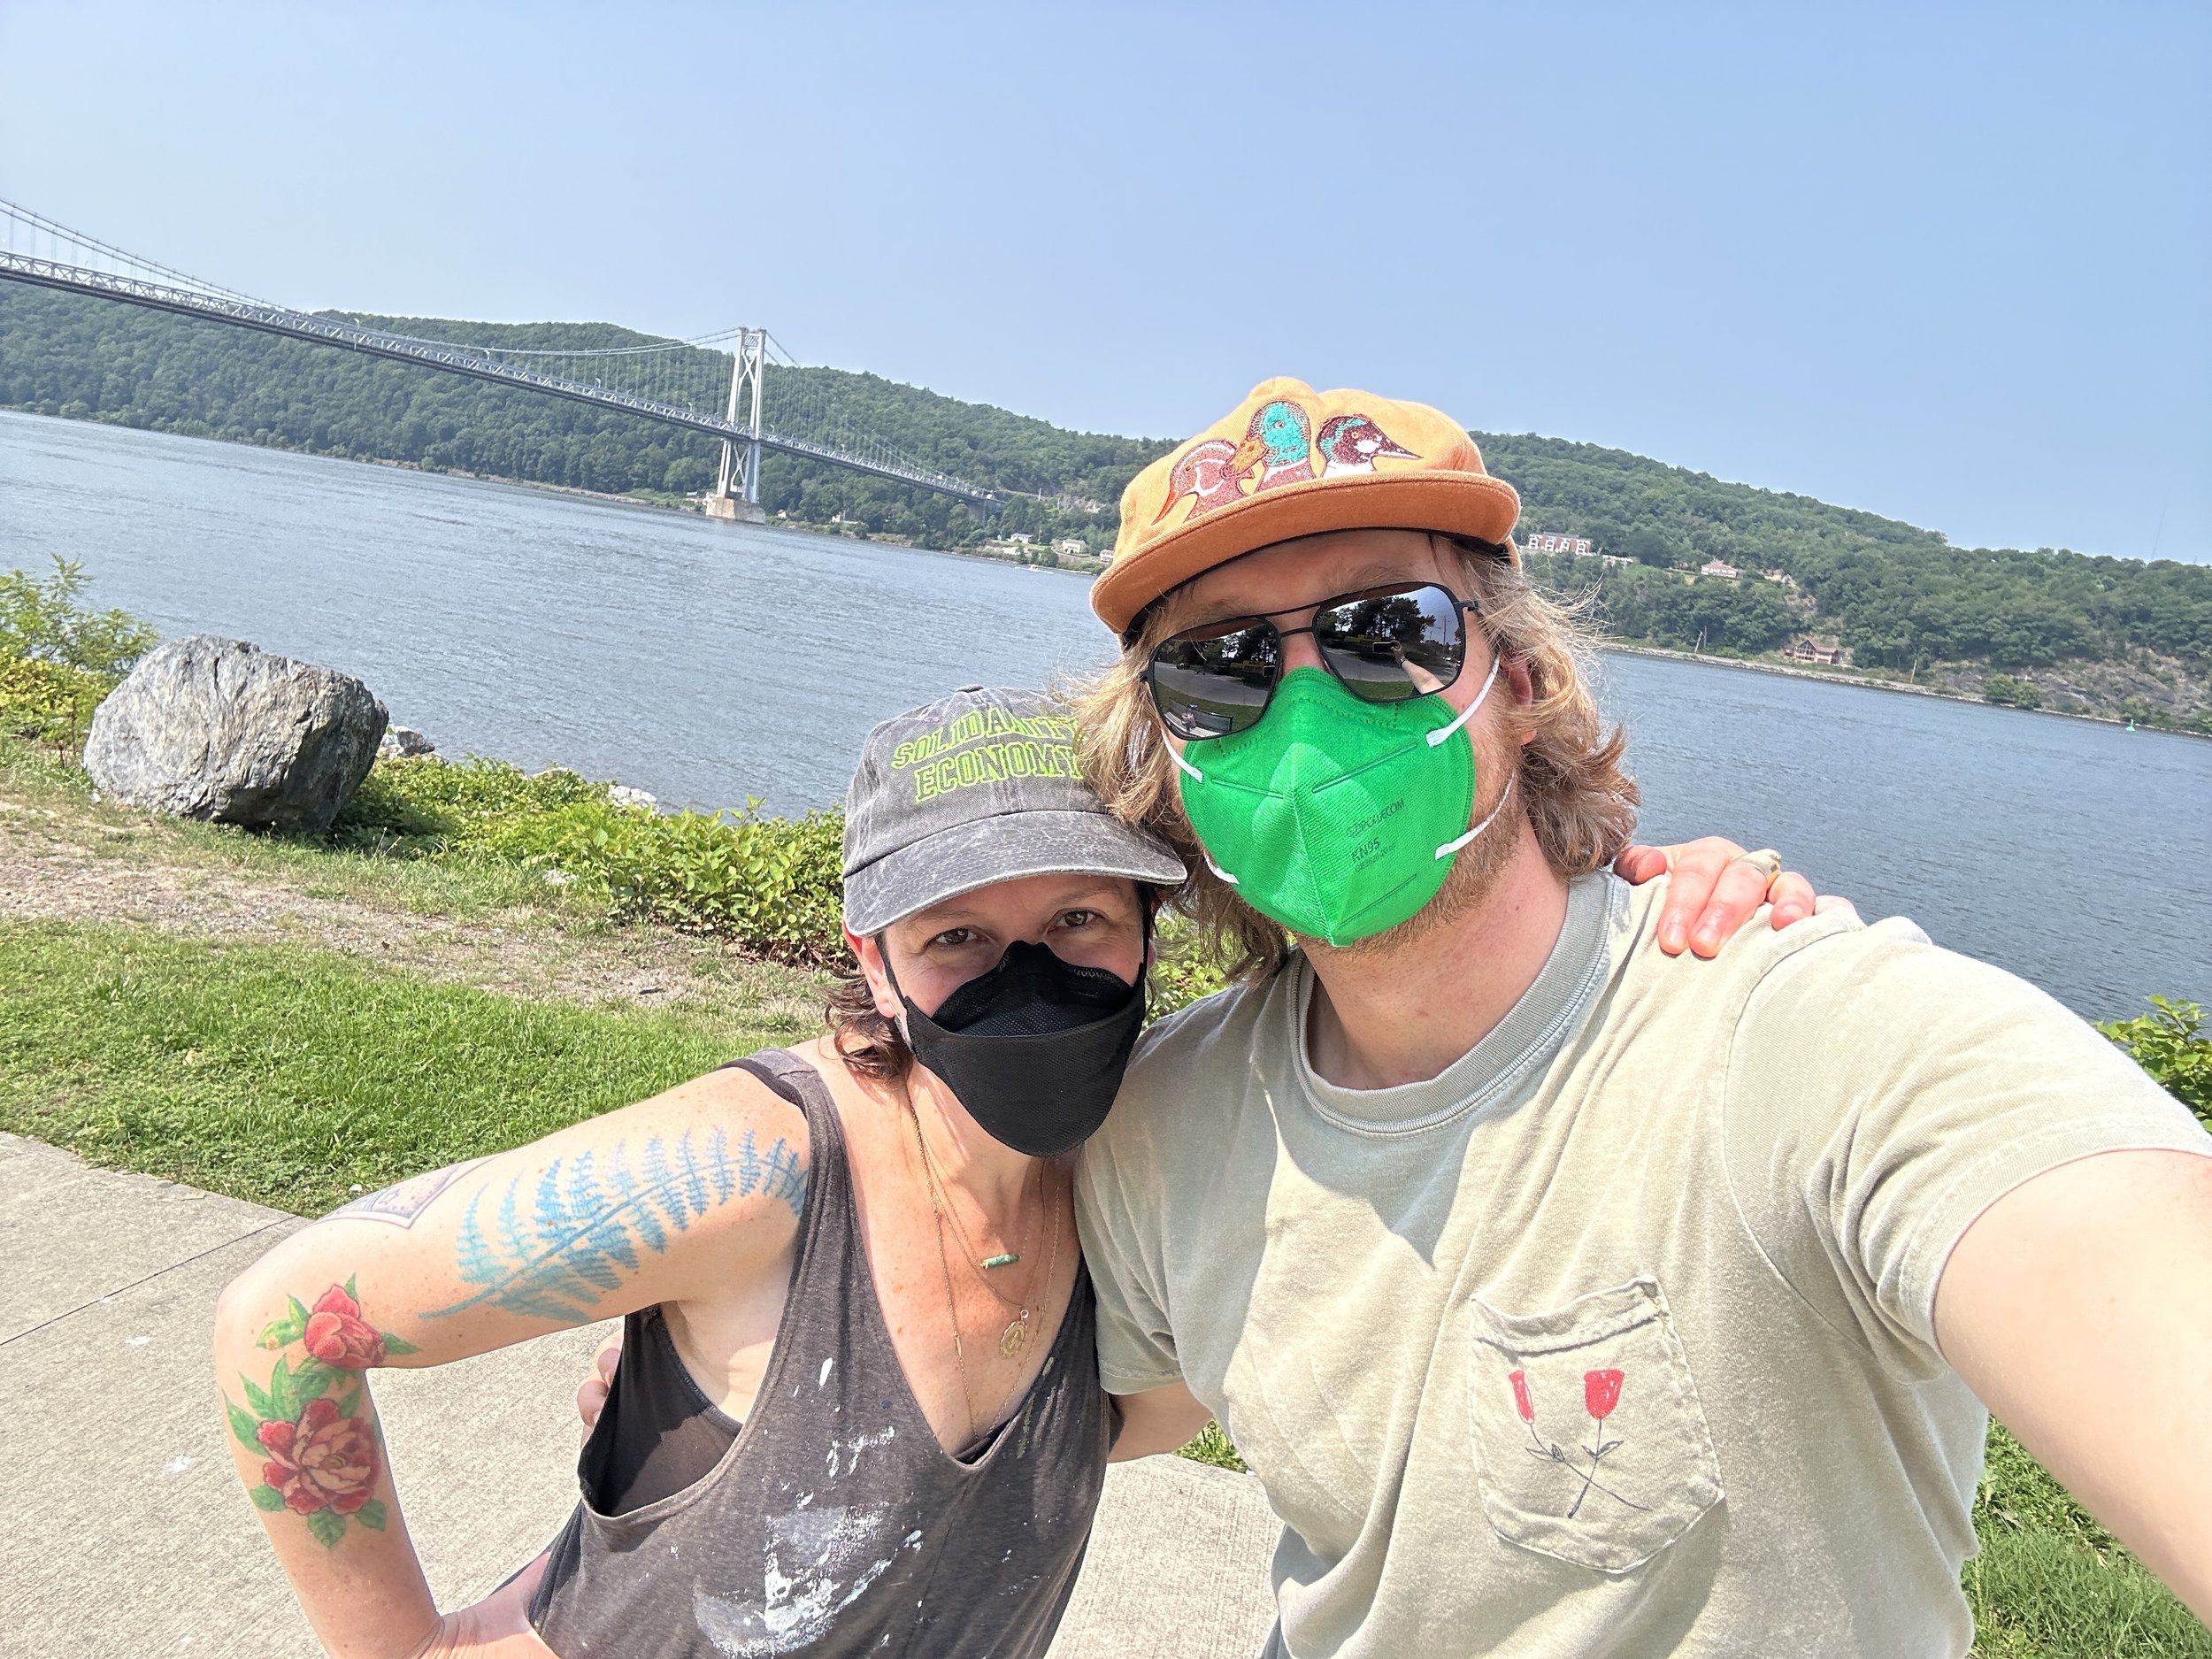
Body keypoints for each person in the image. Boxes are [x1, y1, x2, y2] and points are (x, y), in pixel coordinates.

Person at [215, 680, 1813, 1659]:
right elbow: (284, 1328)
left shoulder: (1144, 1175)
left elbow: (1402, 1064)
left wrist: (1634, 904)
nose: (1027, 977)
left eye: (1077, 922)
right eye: (958, 939)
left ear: (1149, 929)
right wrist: (405, 1650)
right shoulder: (752, 1174)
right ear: (872, 956)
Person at [1070, 378, 2212, 1655]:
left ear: (1519, 681)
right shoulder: (1173, 1118)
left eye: (1386, 631)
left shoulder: (1804, 1038)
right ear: (1165, 747)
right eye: (1217, 666)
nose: (1305, 708)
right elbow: (1111, 1407)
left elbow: (2094, 1234)